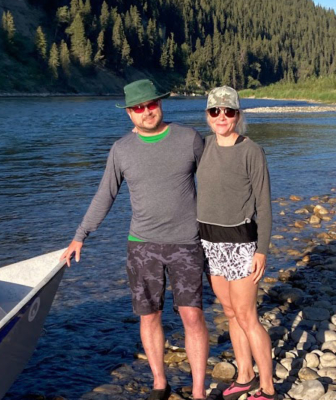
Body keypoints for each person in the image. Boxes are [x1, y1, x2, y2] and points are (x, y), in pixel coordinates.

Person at [60, 79, 209, 400]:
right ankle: (159, 382)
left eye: (150, 104)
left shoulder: (189, 138)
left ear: (160, 104)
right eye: (138, 108)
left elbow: (214, 179)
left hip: (187, 243)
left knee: (192, 315)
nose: (146, 112)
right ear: (129, 113)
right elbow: (105, 195)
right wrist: (80, 236)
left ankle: (198, 391)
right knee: (149, 314)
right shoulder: (121, 150)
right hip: (142, 246)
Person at [196, 86, 275, 400]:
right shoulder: (201, 147)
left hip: (241, 243)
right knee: (229, 311)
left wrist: (262, 250)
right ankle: (245, 374)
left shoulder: (251, 150)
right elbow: (166, 146)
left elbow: (265, 206)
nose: (222, 117)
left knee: (246, 315)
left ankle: (268, 388)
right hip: (209, 241)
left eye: (228, 111)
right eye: (215, 111)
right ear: (208, 115)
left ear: (238, 115)